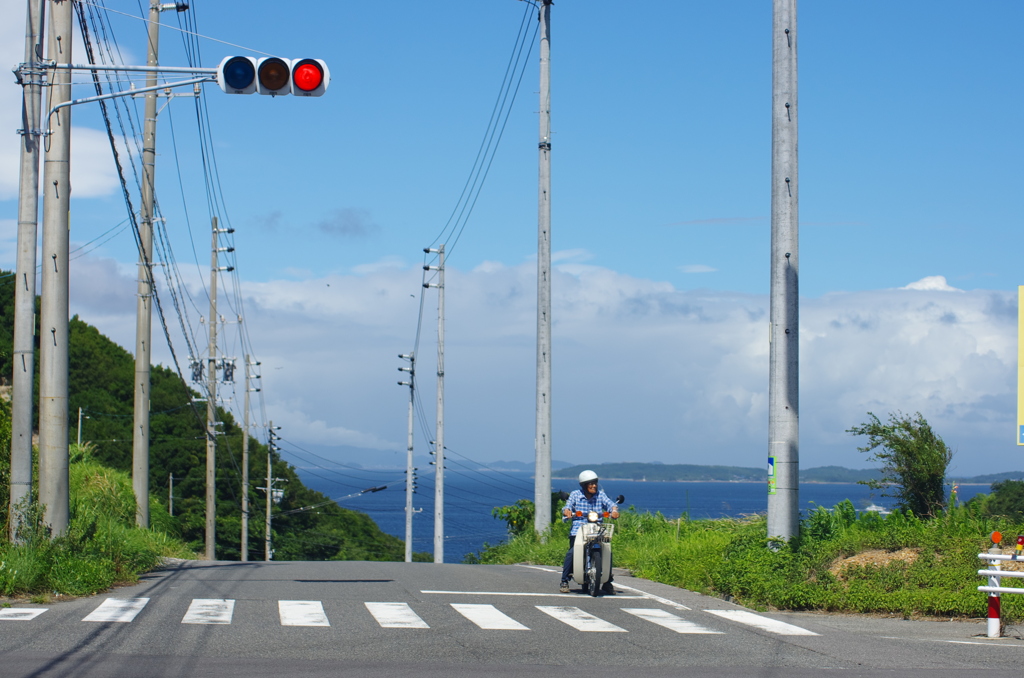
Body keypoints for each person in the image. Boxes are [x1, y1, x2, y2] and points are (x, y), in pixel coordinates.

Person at [560, 470, 619, 594]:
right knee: (572, 552)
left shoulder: (600, 495)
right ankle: (564, 580)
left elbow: (611, 504)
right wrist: (567, 511)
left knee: (607, 550)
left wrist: (614, 510)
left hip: (597, 528)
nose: (594, 486)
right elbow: (568, 506)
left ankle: (607, 581)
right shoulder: (576, 495)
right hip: (579, 528)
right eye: (590, 484)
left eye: (595, 483)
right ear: (583, 485)